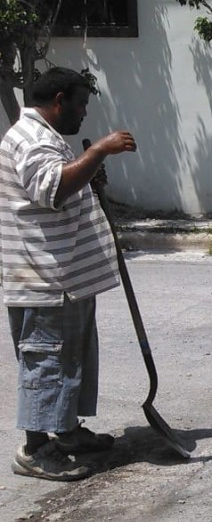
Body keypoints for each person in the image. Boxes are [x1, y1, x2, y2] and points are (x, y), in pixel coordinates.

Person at [1, 67, 137, 481]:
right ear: (59, 100)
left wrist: (87, 175)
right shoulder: (33, 139)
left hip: (64, 277)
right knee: (46, 360)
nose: (83, 114)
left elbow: (58, 186)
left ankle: (67, 432)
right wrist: (98, 152)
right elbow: (52, 189)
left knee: (69, 359)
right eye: (80, 104)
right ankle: (36, 448)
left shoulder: (45, 137)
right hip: (44, 278)